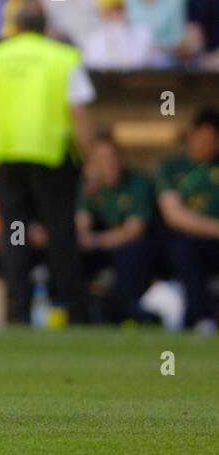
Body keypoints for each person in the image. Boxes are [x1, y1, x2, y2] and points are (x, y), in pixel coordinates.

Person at [0, 0, 95, 323]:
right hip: (53, 158)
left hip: (7, 159)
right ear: (44, 27)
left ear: (17, 27)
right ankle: (72, 310)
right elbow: (79, 114)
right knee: (61, 233)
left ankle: (19, 311)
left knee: (15, 234)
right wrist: (90, 159)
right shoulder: (63, 59)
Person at [76, 133, 158, 323]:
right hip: (103, 247)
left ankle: (128, 311)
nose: (108, 164)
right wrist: (88, 193)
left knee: (132, 251)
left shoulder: (137, 182)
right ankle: (77, 311)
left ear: (121, 158)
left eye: (112, 157)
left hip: (131, 248)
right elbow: (81, 227)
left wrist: (96, 240)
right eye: (101, 160)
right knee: (72, 254)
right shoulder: (89, 187)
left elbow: (134, 229)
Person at [156, 108, 219, 331]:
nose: (209, 146)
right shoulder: (172, 167)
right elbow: (175, 216)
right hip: (187, 243)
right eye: (205, 139)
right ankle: (200, 318)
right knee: (183, 249)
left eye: (214, 141)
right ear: (191, 134)